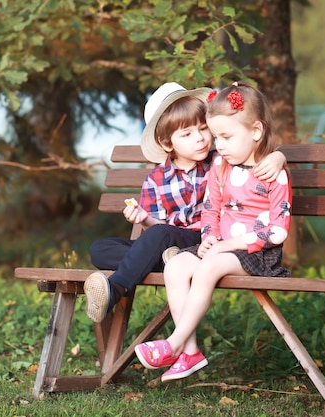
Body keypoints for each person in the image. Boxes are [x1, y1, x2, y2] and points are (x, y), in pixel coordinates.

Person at [85, 82, 287, 323]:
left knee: (159, 237)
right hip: (168, 243)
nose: (201, 139)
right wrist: (144, 219)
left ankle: (116, 287)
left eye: (203, 129)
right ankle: (167, 258)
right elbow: (157, 228)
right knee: (99, 249)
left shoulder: (222, 159)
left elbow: (255, 147)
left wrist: (278, 156)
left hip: (204, 239)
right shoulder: (156, 180)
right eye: (187, 134)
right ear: (168, 143)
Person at [134, 81, 292, 382]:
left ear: (255, 132)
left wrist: (226, 244)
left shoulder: (274, 173)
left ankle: (174, 343)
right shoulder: (220, 167)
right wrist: (208, 237)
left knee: (210, 266)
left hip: (258, 254)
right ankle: (190, 352)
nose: (218, 145)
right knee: (177, 264)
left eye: (226, 137)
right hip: (220, 247)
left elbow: (277, 232)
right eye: (217, 136)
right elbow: (211, 209)